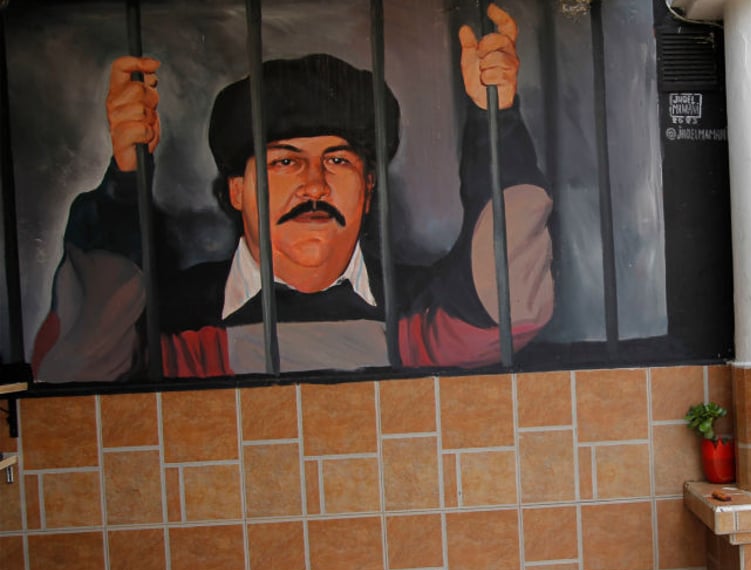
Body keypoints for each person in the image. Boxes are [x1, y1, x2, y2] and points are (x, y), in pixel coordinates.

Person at [32, 3, 554, 381]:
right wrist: (126, 182)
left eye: (338, 160)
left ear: (368, 190)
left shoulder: (421, 316)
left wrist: (496, 122)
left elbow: (511, 308)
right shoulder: (173, 324)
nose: (313, 184)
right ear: (236, 191)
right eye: (284, 160)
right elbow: (76, 367)